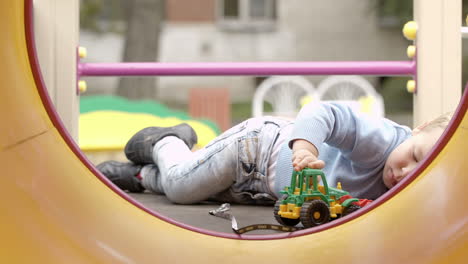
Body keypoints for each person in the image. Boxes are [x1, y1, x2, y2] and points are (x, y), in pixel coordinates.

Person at [97, 101, 451, 205]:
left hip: (261, 191)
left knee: (198, 193)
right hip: (256, 149)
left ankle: (142, 176)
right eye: (416, 157)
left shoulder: (405, 197)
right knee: (180, 187)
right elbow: (326, 112)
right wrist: (306, 145)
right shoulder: (384, 141)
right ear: (416, 130)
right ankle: (168, 140)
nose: (406, 174)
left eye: (420, 177)